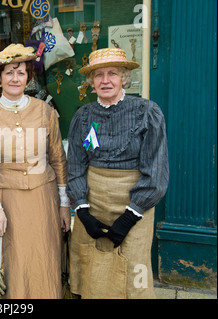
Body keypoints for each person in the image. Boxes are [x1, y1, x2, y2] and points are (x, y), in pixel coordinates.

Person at [67, 48, 169, 298]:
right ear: (91, 82)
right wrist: (82, 209)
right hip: (92, 204)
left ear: (124, 77)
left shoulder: (147, 112)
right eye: (98, 75)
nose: (105, 80)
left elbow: (155, 170)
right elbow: (76, 166)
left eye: (112, 73)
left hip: (135, 205)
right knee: (90, 266)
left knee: (132, 270)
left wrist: (129, 217)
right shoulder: (83, 116)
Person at [0, 44, 70, 298]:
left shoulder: (45, 111)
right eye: (9, 73)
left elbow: (58, 159)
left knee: (40, 261)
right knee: (9, 264)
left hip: (42, 200)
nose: (15, 78)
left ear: (29, 77)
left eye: (21, 73)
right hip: (3, 202)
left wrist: (64, 204)